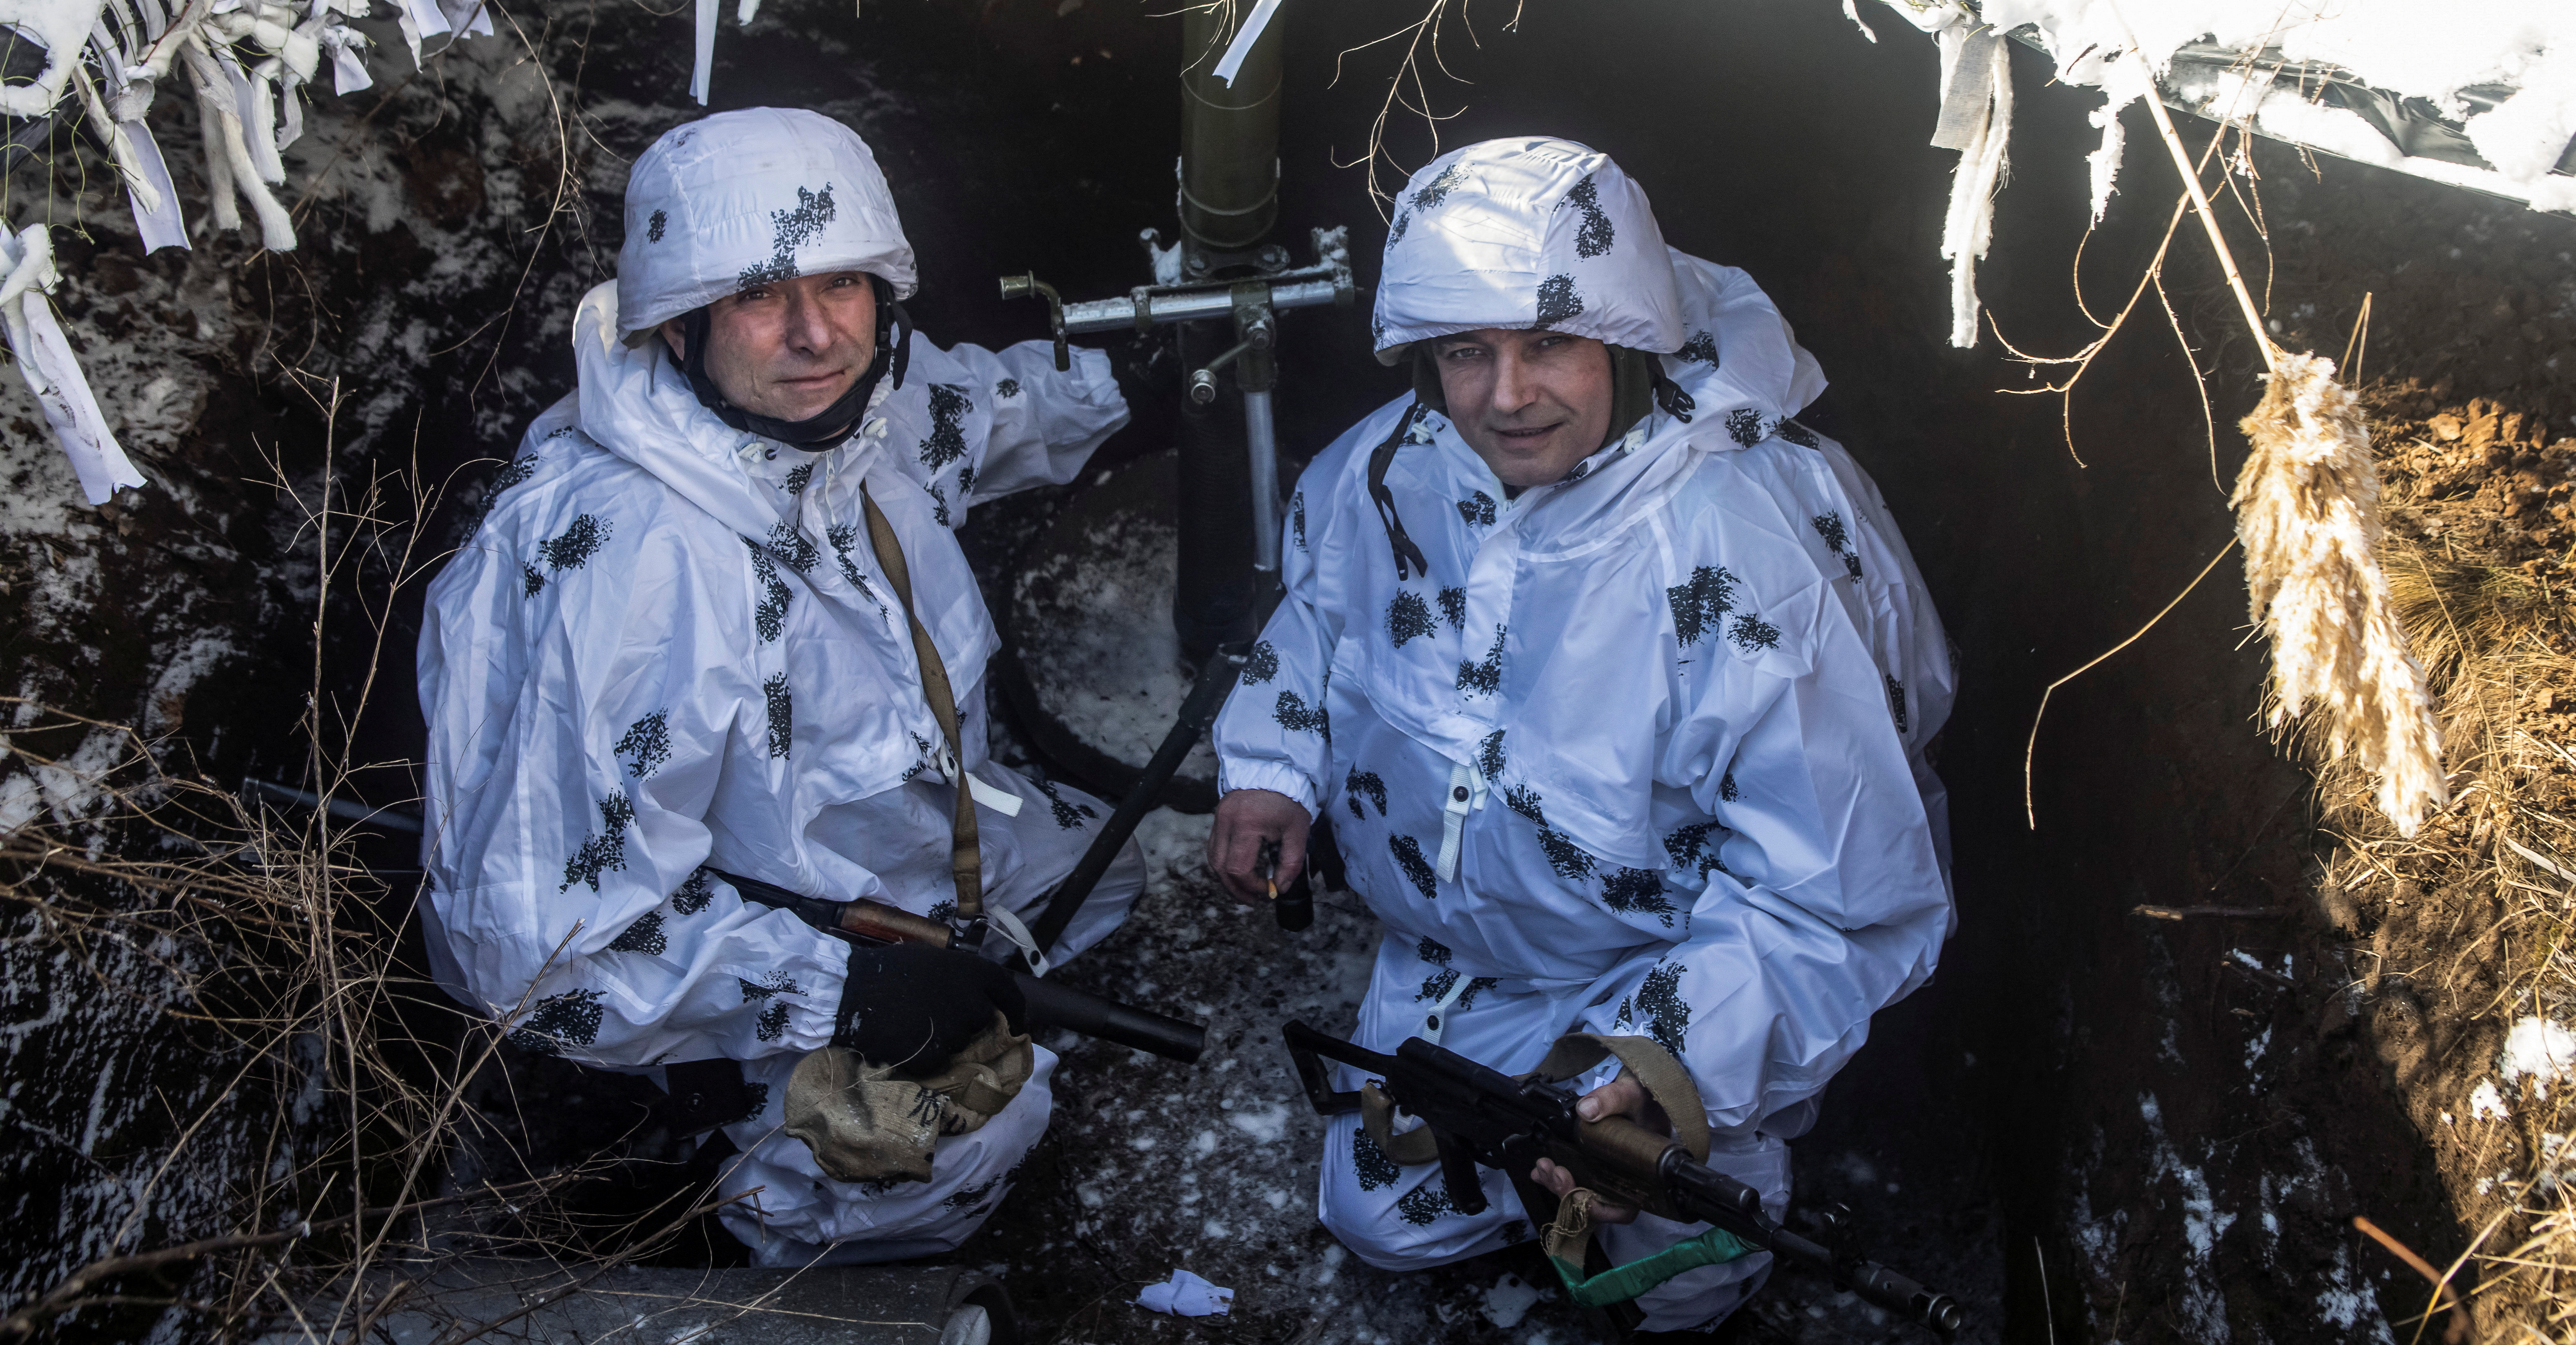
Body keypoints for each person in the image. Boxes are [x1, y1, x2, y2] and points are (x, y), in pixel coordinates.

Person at [1206, 137, 1954, 1331]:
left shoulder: (1735, 556)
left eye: (1548, 342)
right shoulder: (1396, 467)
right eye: (1468, 351)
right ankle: (1541, 1124)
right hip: (1469, 955)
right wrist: (1273, 768)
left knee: (1672, 1275)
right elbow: (1316, 617)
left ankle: (1717, 1142)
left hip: (1650, 970)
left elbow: (1834, 889)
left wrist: (1662, 1075)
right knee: (1376, 1216)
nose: (1506, 396)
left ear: (1624, 337)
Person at [418, 107, 1144, 1266]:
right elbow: (537, 949)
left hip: (897, 862)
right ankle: (751, 1204)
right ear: (684, 324)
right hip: (739, 964)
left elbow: (975, 413)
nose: (814, 333)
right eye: (761, 297)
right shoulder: (645, 564)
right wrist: (842, 993)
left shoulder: (850, 416)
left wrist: (1146, 371)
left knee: (1110, 877)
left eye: (842, 287)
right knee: (971, 1136)